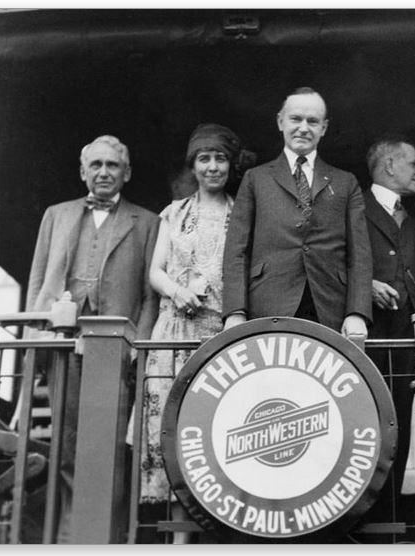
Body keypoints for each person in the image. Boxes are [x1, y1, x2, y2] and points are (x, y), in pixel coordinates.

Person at [25, 134, 159, 542]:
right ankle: (72, 538)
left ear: (127, 173)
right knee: (66, 445)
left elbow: (150, 297)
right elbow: (38, 278)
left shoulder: (148, 221)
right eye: (96, 165)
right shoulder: (56, 215)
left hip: (116, 350)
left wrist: (141, 346)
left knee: (110, 447)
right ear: (83, 171)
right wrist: (35, 332)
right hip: (63, 345)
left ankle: (107, 539)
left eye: (112, 166)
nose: (104, 173)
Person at [131, 123, 251, 543]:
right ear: (194, 165)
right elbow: (154, 271)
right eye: (204, 159)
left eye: (219, 159)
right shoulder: (174, 212)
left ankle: (223, 533)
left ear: (229, 165)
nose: (212, 167)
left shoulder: (242, 211)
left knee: (219, 430)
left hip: (221, 335)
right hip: (175, 331)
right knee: (177, 429)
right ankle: (181, 539)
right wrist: (177, 290)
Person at [222, 87, 372, 338]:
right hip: (267, 306)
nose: (303, 128)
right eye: (296, 119)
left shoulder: (346, 182)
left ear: (323, 128)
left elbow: (360, 256)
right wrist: (235, 312)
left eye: (312, 121)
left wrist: (356, 312)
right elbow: (236, 251)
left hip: (328, 307)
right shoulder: (255, 179)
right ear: (281, 122)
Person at [361, 135, 415, 536]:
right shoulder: (354, 207)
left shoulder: (414, 221)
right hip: (366, 338)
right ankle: (360, 525)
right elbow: (328, 259)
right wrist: (364, 284)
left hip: (405, 343)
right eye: (412, 163)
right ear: (388, 166)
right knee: (365, 427)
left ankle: (390, 522)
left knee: (400, 424)